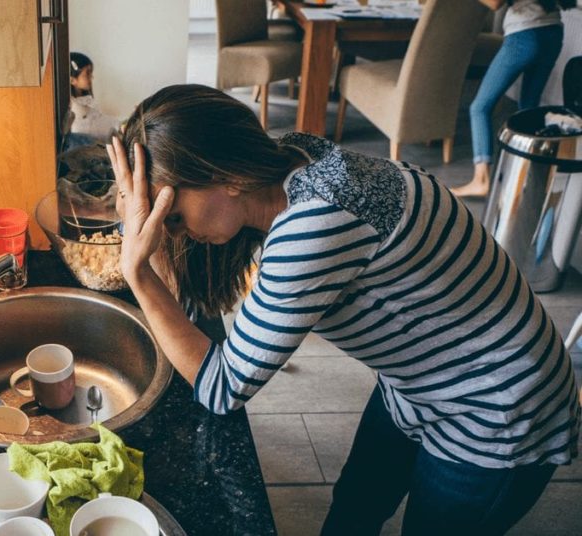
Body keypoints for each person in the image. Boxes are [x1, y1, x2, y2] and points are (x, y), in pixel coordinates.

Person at [107, 84, 579, 535]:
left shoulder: (311, 226)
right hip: (417, 384)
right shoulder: (293, 157)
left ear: (228, 177)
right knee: (355, 508)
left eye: (170, 216)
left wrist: (138, 272)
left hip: (496, 406)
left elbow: (221, 386)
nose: (167, 233)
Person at [452, 0, 571, 197]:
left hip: (524, 33)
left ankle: (481, 180)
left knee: (480, 107)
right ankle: (527, 177)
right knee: (528, 109)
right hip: (553, 30)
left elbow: (495, 3)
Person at [67, 52, 119, 143]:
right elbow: (95, 127)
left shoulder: (84, 100)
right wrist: (119, 125)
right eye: (87, 73)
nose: (92, 77)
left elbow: (100, 120)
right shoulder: (76, 107)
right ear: (72, 80)